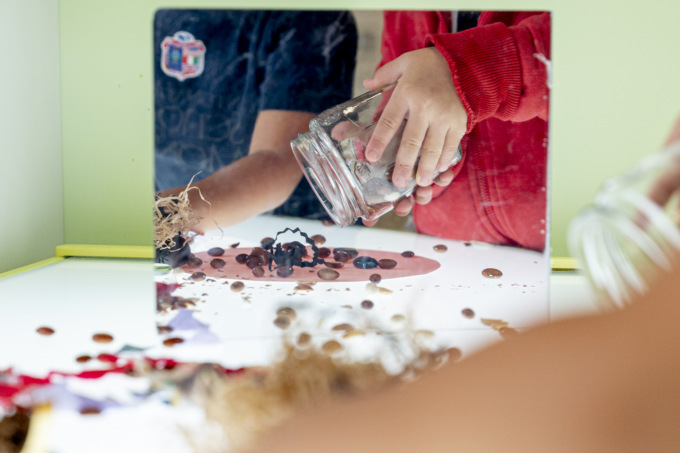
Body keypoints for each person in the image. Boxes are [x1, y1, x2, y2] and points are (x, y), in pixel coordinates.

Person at [153, 10, 358, 233]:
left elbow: (276, 160)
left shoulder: (314, 18)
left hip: (292, 228)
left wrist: (163, 216)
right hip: (174, 206)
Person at [363, 11, 551, 251]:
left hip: (559, 230)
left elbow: (587, 43)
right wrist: (387, 138)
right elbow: (400, 55)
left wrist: (471, 72)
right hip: (442, 233)